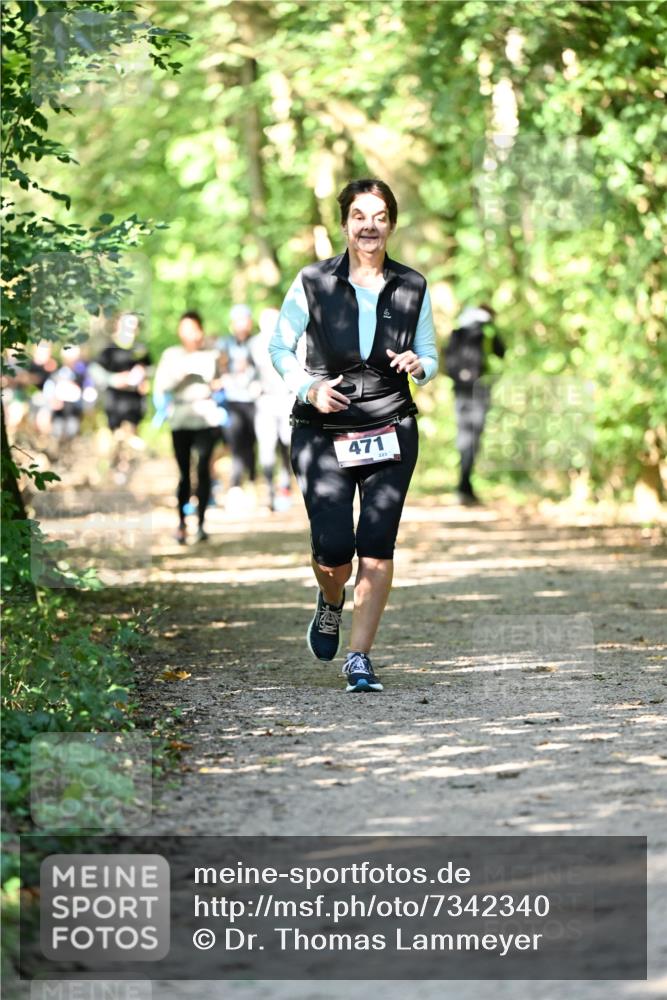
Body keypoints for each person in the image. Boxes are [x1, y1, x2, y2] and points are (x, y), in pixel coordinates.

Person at [270, 178, 438, 693]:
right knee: (334, 550)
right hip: (322, 433)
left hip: (391, 426)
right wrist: (309, 388)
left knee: (378, 546)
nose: (369, 226)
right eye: (359, 216)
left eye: (380, 216)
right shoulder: (313, 281)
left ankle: (359, 657)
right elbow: (279, 348)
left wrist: (420, 365)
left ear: (391, 223)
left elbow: (429, 354)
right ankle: (331, 597)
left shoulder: (413, 285)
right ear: (344, 224)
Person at [153, 311, 223, 544]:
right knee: (184, 473)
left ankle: (201, 523)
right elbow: (162, 385)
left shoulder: (211, 354)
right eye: (185, 328)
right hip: (181, 418)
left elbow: (219, 382)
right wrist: (183, 372)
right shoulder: (171, 355)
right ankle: (182, 524)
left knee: (203, 469)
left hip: (206, 417)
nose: (190, 334)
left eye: (194, 328)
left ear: (200, 330)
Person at [443, 304, 505, 505]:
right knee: (473, 438)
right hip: (479, 390)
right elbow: (501, 352)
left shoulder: (457, 331)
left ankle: (464, 485)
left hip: (460, 390)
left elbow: (447, 362)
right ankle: (464, 486)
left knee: (464, 437)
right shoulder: (487, 330)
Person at [89, 313, 151, 483]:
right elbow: (94, 371)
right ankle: (112, 472)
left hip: (135, 403)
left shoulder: (140, 349)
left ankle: (125, 473)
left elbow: (150, 370)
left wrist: (144, 378)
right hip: (114, 403)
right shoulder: (109, 350)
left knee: (130, 437)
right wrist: (115, 380)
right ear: (118, 325)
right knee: (117, 439)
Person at [249, 307, 294, 511]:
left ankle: (284, 486)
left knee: (286, 444)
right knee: (266, 447)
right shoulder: (254, 344)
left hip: (287, 399)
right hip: (265, 401)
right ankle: (268, 489)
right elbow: (247, 371)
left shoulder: (292, 339)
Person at [216, 304, 260, 504]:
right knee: (235, 444)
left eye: (245, 320)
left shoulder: (257, 343)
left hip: (253, 401)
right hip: (232, 401)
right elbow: (219, 369)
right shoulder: (224, 344)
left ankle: (251, 481)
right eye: (238, 321)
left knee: (251, 444)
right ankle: (235, 485)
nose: (242, 325)